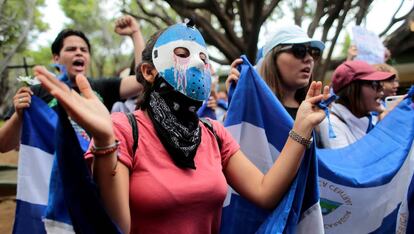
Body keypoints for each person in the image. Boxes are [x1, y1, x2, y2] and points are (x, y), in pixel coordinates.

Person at [34, 21, 330, 234]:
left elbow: (266, 192)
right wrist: (103, 141)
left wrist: (301, 128)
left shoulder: (214, 134)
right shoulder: (124, 130)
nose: (198, 65)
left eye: (203, 58)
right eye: (183, 54)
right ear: (148, 72)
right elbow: (117, 225)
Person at [0, 15, 145, 153]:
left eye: (84, 50)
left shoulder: (102, 87)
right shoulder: (35, 93)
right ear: (56, 59)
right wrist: (18, 116)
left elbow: (140, 81)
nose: (79, 53)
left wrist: (135, 33)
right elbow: (4, 145)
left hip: (94, 174)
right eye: (71, 49)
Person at [226, 25, 325, 119]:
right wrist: (236, 105)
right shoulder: (252, 111)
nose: (309, 58)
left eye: (313, 52)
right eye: (299, 50)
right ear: (273, 59)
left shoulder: (317, 109)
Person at [317, 60, 396, 149]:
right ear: (352, 90)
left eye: (380, 84)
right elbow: (352, 162)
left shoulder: (370, 118)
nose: (382, 88)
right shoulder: (331, 124)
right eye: (374, 84)